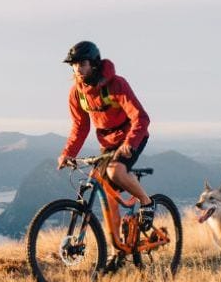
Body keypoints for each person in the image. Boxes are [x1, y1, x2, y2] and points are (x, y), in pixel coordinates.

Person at [57, 40, 155, 238]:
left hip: (131, 136)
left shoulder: (116, 84)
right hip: (108, 143)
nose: (77, 69)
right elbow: (80, 126)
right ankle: (116, 248)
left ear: (94, 63)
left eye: (82, 63)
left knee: (114, 170)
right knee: (108, 199)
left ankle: (146, 202)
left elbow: (141, 118)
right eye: (74, 65)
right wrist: (68, 154)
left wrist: (130, 143)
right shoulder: (77, 93)